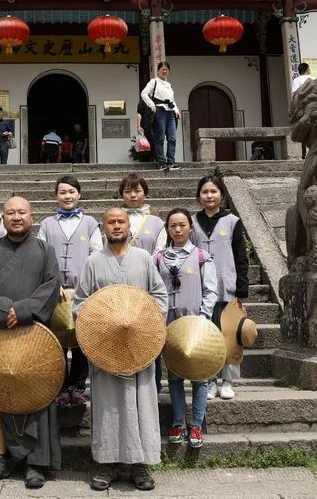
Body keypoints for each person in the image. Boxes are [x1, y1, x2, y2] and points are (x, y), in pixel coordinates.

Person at [73, 207, 167, 492]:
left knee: (142, 406)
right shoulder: (93, 262)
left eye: (121, 222)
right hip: (105, 349)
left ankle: (140, 465)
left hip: (139, 347)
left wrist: (143, 323)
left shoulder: (144, 259)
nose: (116, 226)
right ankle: (107, 463)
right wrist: (99, 325)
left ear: (129, 226)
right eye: (111, 222)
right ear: (103, 228)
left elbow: (160, 297)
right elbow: (80, 303)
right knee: (108, 407)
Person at [0, 196, 61, 489]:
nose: (16, 217)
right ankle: (0, 458)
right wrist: (3, 312)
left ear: (32, 216)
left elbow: (50, 287)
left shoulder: (45, 251)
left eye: (22, 212)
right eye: (10, 212)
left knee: (35, 395)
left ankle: (35, 463)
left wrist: (21, 311)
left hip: (33, 338)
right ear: (3, 218)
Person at [37, 175, 103, 406]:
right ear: (56, 195)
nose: (67, 196)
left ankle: (77, 386)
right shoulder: (46, 224)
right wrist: (52, 285)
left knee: (80, 340)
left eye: (72, 192)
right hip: (55, 292)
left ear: (79, 194)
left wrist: (82, 288)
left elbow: (96, 256)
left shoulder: (90, 223)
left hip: (81, 292)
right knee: (57, 340)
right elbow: (41, 257)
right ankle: (60, 385)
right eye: (63, 192)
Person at [156, 208, 218, 449]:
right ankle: (178, 421)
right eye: (173, 226)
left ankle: (196, 423)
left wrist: (203, 319)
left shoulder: (202, 256)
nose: (178, 229)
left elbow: (211, 291)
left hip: (196, 325)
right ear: (167, 229)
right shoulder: (159, 258)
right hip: (169, 326)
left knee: (200, 377)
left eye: (182, 225)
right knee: (174, 375)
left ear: (190, 227)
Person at [190, 175, 249, 400]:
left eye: (213, 191)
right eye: (205, 192)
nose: (209, 196)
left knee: (229, 334)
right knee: (208, 334)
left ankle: (228, 380)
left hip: (228, 286)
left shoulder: (232, 221)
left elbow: (241, 257)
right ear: (199, 196)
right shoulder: (192, 222)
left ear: (221, 195)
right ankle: (210, 379)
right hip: (200, 287)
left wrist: (242, 288)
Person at [140, 61, 181, 170]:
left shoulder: (169, 85)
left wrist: (176, 110)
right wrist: (151, 105)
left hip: (170, 112)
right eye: (162, 69)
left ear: (169, 71)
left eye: (166, 69)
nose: (164, 71)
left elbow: (172, 100)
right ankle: (161, 162)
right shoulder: (154, 82)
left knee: (172, 138)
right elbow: (144, 93)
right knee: (160, 137)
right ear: (158, 70)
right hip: (160, 111)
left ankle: (171, 161)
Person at [117, 173, 166, 254]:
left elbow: (160, 252)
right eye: (128, 191)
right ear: (122, 194)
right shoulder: (114, 219)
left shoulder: (157, 222)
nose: (133, 195)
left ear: (145, 193)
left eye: (137, 191)